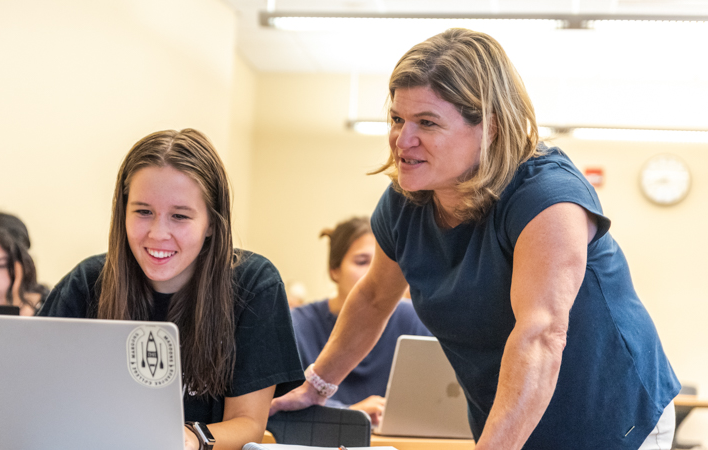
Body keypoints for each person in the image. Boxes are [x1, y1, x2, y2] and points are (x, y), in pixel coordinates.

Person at [270, 28, 679, 450]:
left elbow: (540, 336)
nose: (401, 140)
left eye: (427, 123)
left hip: (614, 421)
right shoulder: (408, 199)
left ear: (491, 127)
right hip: (509, 420)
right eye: (397, 119)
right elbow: (375, 297)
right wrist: (317, 385)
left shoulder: (547, 199)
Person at [38, 129, 304, 450]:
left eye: (179, 216)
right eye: (143, 211)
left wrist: (189, 439)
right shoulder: (86, 282)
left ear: (211, 225)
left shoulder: (253, 284)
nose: (158, 233)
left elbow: (249, 424)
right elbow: (39, 397)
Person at [290, 216, 430, 424]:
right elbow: (283, 401)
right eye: (362, 262)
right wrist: (350, 413)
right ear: (334, 270)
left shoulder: (414, 319)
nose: (375, 275)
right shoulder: (296, 325)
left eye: (386, 266)